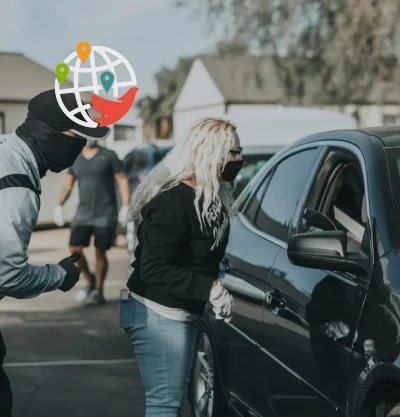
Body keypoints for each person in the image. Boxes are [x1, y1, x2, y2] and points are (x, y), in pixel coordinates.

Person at [120, 117, 240, 417]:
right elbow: (154, 268)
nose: (240, 159)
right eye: (233, 153)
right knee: (165, 404)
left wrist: (216, 276)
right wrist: (209, 288)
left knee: (173, 400)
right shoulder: (172, 200)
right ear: (210, 153)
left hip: (179, 312)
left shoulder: (209, 196)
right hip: (159, 313)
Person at [0, 89, 107, 416]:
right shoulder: (17, 185)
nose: (81, 146)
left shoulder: (6, 148)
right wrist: (59, 275)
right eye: (78, 137)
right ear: (49, 133)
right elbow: (7, 274)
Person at [53, 140, 130, 305]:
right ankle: (90, 280)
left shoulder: (109, 155)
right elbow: (68, 185)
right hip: (83, 214)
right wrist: (59, 205)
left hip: (106, 213)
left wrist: (125, 206)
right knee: (74, 248)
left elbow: (122, 180)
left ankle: (99, 291)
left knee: (100, 251)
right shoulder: (76, 157)